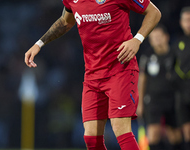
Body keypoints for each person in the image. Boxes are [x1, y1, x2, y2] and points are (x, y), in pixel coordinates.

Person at [24, 0, 161, 149]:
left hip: (121, 70)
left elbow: (154, 12)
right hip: (93, 75)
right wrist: (39, 44)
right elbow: (65, 22)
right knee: (91, 138)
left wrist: (137, 39)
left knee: (121, 130)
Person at [137, 24, 182, 150]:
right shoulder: (147, 56)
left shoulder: (174, 54)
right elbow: (142, 80)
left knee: (175, 136)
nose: (156, 40)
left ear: (166, 37)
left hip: (172, 99)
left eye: (158, 36)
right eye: (153, 37)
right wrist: (140, 104)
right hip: (153, 100)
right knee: (153, 134)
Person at [173, 6, 190, 150]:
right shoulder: (178, 43)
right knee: (186, 134)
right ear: (181, 22)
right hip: (182, 94)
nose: (188, 23)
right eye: (186, 20)